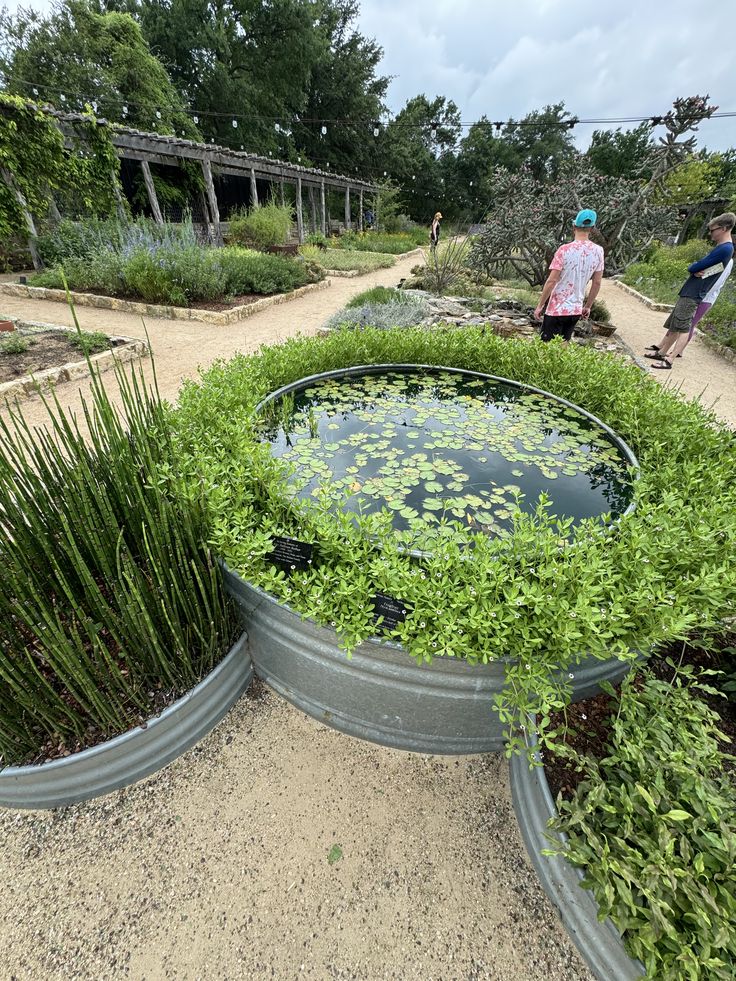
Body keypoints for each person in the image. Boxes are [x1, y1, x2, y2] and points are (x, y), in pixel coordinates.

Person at [645, 212, 735, 369]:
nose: (710, 233)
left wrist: (696, 268)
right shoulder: (723, 249)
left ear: (724, 228)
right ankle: (662, 351)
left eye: (713, 230)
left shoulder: (725, 249)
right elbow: (710, 269)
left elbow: (695, 267)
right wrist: (698, 269)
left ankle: (670, 359)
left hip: (694, 293)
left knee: (683, 326)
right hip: (692, 290)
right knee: (675, 323)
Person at [533, 209, 604, 342]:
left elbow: (551, 281)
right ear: (592, 228)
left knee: (546, 349)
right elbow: (597, 283)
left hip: (557, 308)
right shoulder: (599, 251)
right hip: (575, 309)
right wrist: (588, 306)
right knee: (564, 346)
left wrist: (540, 305)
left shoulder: (564, 250)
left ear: (574, 226)